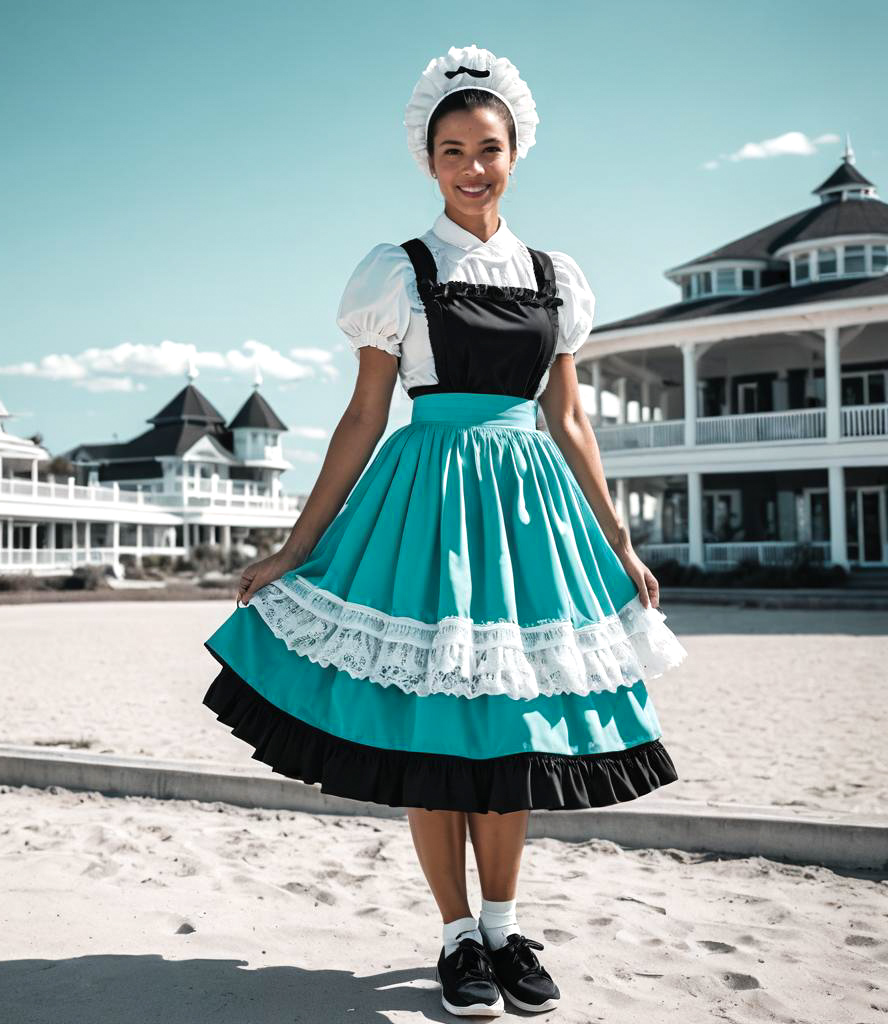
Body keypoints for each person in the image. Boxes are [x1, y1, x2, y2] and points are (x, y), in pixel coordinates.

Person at [202, 43, 688, 1019]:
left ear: (516, 154)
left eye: (490, 147)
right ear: (428, 160)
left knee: (508, 730)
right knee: (434, 727)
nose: (474, 164)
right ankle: (456, 935)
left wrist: (621, 541)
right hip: (424, 504)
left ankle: (505, 932)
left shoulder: (556, 276)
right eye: (454, 148)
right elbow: (361, 417)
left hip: (530, 513)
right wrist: (298, 546)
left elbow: (573, 421)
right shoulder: (398, 270)